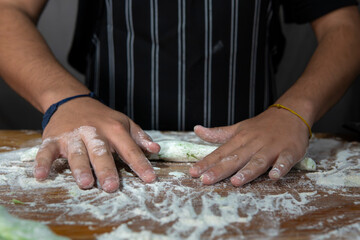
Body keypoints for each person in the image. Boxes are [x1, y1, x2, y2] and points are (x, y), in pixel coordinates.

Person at [0, 0, 359, 193]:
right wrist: (65, 100)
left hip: (255, 165)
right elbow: (8, 10)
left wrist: (293, 112)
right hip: (105, 156)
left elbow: (345, 27)